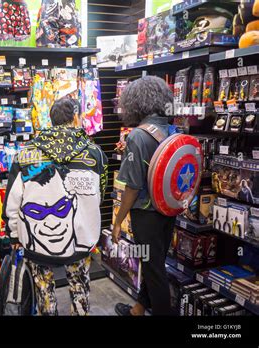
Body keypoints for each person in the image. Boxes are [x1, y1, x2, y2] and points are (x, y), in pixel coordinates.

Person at [3, 97, 108, 315]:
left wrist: (14, 235)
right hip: (81, 238)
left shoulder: (26, 153)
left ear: (50, 121)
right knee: (80, 290)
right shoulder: (95, 153)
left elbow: (12, 201)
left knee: (44, 293)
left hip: (36, 241)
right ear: (76, 118)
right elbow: (101, 195)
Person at [112, 76, 176, 316]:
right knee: (154, 262)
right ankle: (138, 308)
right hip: (168, 209)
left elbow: (132, 186)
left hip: (146, 214)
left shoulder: (137, 136)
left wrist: (118, 221)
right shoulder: (171, 128)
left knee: (152, 267)